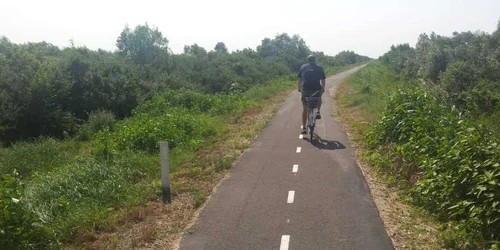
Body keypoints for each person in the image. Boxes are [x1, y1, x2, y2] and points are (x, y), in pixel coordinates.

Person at [297, 55, 326, 134]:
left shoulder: (303, 67)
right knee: (319, 96)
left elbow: (299, 80)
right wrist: (323, 88)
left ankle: (304, 128)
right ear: (315, 60)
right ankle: (318, 112)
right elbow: (323, 80)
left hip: (305, 89)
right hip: (316, 89)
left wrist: (299, 89)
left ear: (307, 60)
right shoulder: (319, 68)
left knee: (305, 108)